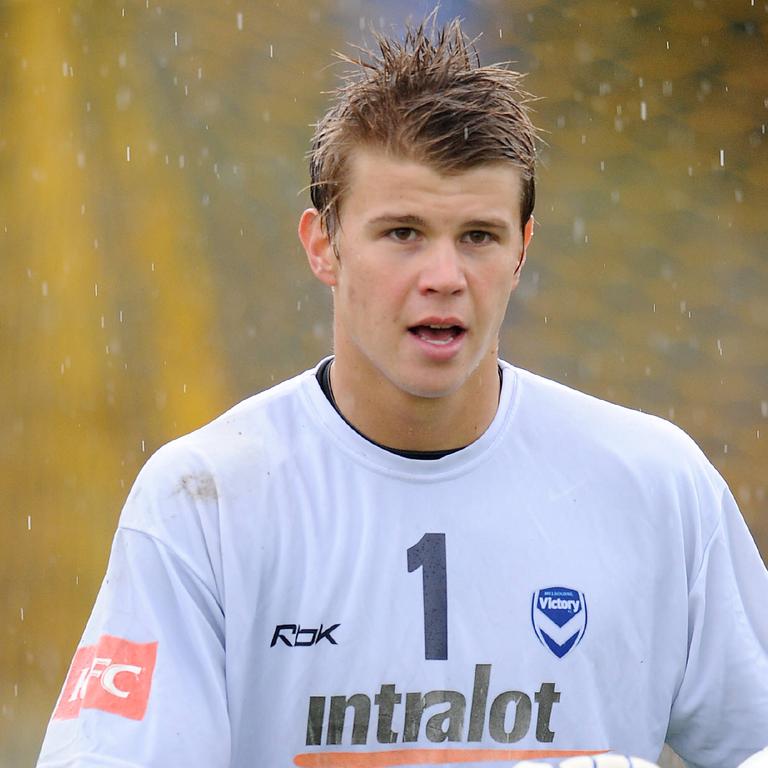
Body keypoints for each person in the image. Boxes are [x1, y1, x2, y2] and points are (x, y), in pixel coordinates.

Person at [37, 15, 768, 768]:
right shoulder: (205, 500)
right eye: (403, 233)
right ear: (325, 246)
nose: (444, 277)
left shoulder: (654, 484)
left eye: (478, 236)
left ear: (523, 250)